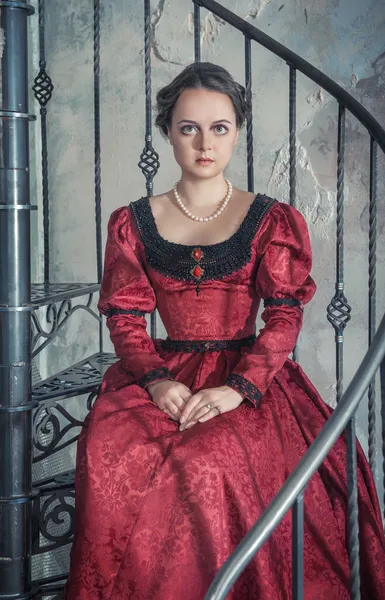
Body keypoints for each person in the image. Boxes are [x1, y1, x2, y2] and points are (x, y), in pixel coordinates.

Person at [64, 62, 385, 600]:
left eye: (220, 128)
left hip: (245, 379)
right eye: (188, 127)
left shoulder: (269, 218)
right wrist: (158, 382)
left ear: (238, 131)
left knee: (206, 463)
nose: (204, 143)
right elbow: (125, 317)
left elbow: (284, 316)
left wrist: (237, 390)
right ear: (168, 131)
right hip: (162, 374)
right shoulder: (133, 221)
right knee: (107, 445)